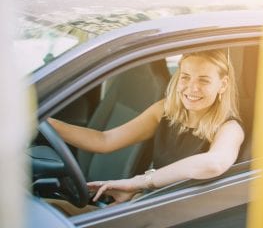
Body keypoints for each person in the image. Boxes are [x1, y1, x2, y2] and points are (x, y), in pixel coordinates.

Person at [48, 49, 245, 205]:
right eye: (185, 77)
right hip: (146, 201)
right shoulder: (164, 111)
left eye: (204, 80)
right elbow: (104, 140)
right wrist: (47, 124)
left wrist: (136, 183)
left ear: (223, 84)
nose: (192, 88)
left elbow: (213, 164)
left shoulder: (230, 128)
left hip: (176, 215)